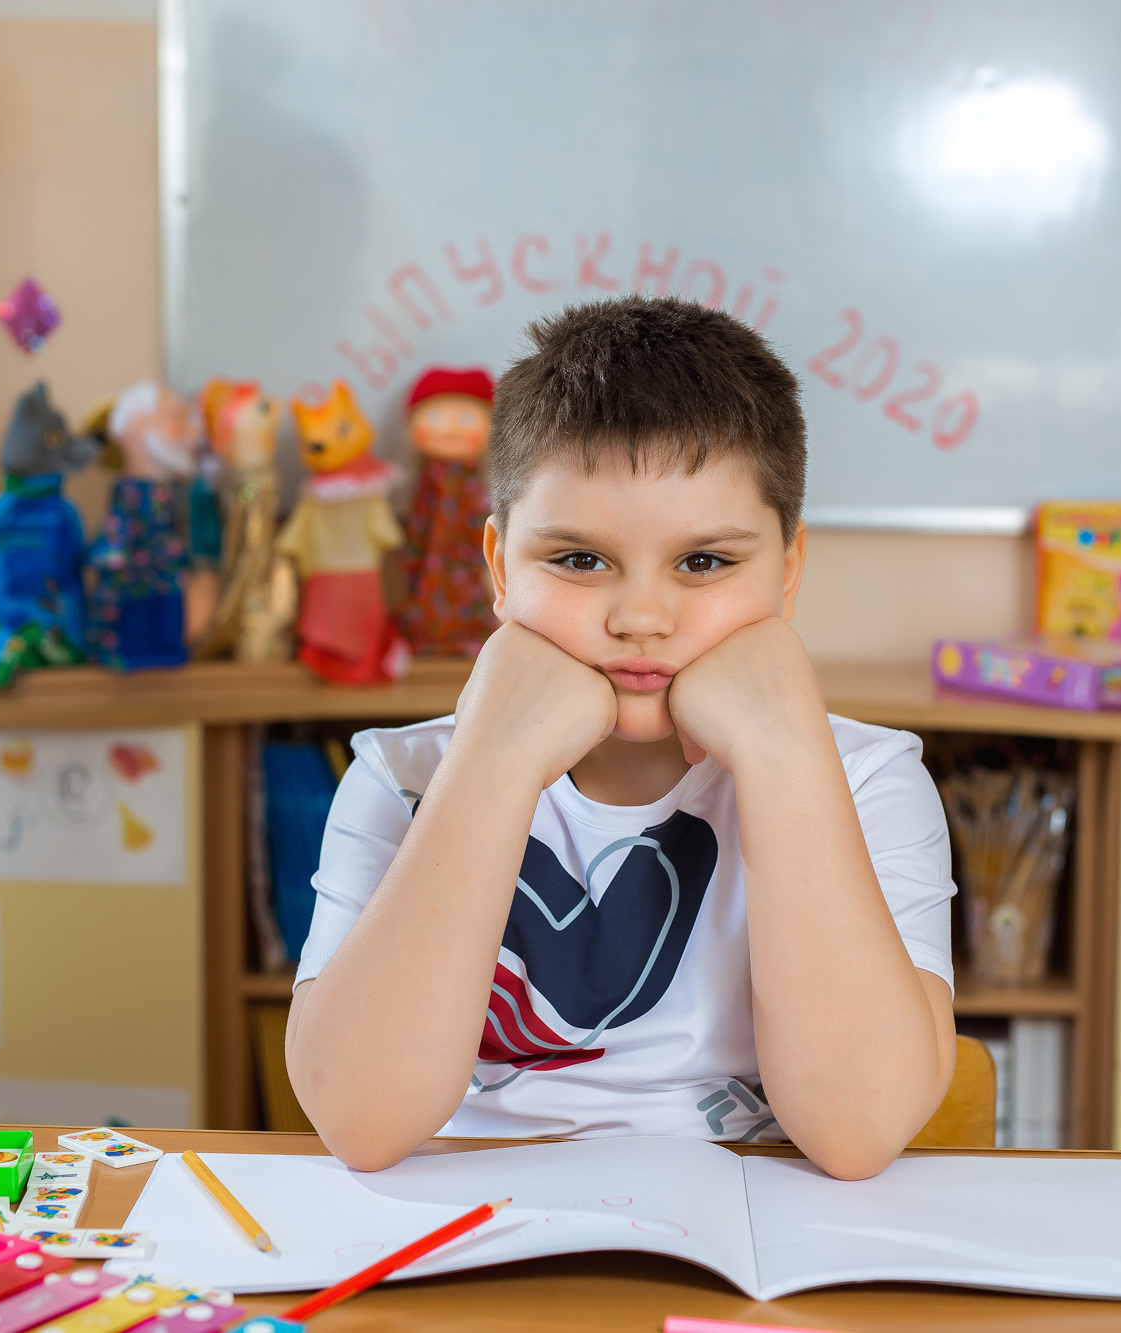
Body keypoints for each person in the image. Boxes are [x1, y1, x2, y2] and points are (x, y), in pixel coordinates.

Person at [286, 295, 957, 1181]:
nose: (641, 616)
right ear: (498, 566)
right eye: (578, 559)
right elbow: (362, 1122)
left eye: (705, 562)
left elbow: (858, 1130)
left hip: (756, 1242)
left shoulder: (868, 779)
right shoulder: (404, 775)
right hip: (477, 1233)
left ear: (787, 572)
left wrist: (782, 749)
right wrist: (494, 755)